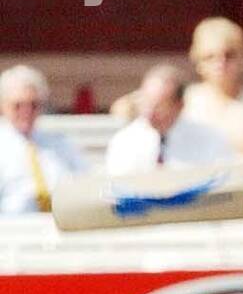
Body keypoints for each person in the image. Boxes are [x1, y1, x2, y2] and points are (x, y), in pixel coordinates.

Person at [184, 17, 243, 158]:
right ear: (198, 62)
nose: (220, 63)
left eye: (229, 55)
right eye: (210, 57)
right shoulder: (188, 100)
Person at [105, 65, 231, 174]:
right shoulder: (125, 142)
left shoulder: (209, 139)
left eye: (159, 106)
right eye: (146, 103)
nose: (150, 113)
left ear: (180, 106)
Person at [0, 64, 85, 215]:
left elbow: (86, 181)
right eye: (18, 105)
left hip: (59, 225)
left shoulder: (60, 144)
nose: (26, 111)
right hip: (11, 230)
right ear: (3, 106)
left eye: (33, 105)